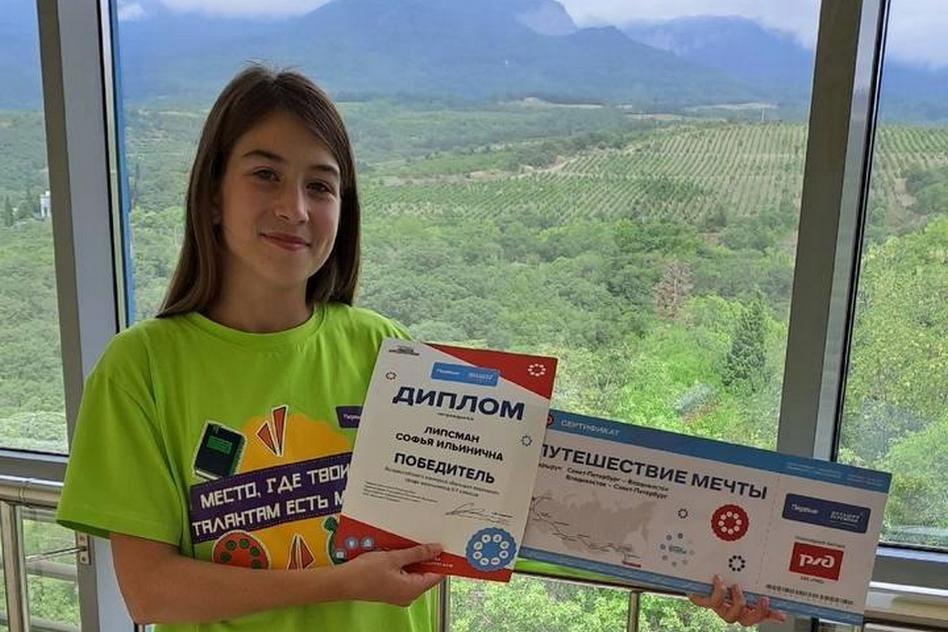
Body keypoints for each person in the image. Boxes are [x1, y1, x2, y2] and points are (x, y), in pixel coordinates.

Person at [55, 65, 783, 630]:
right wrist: (340, 583)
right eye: (265, 174)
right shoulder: (142, 368)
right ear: (213, 196)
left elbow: (522, 500)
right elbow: (151, 590)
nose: (295, 208)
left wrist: (697, 566)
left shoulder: (386, 352)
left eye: (321, 185)